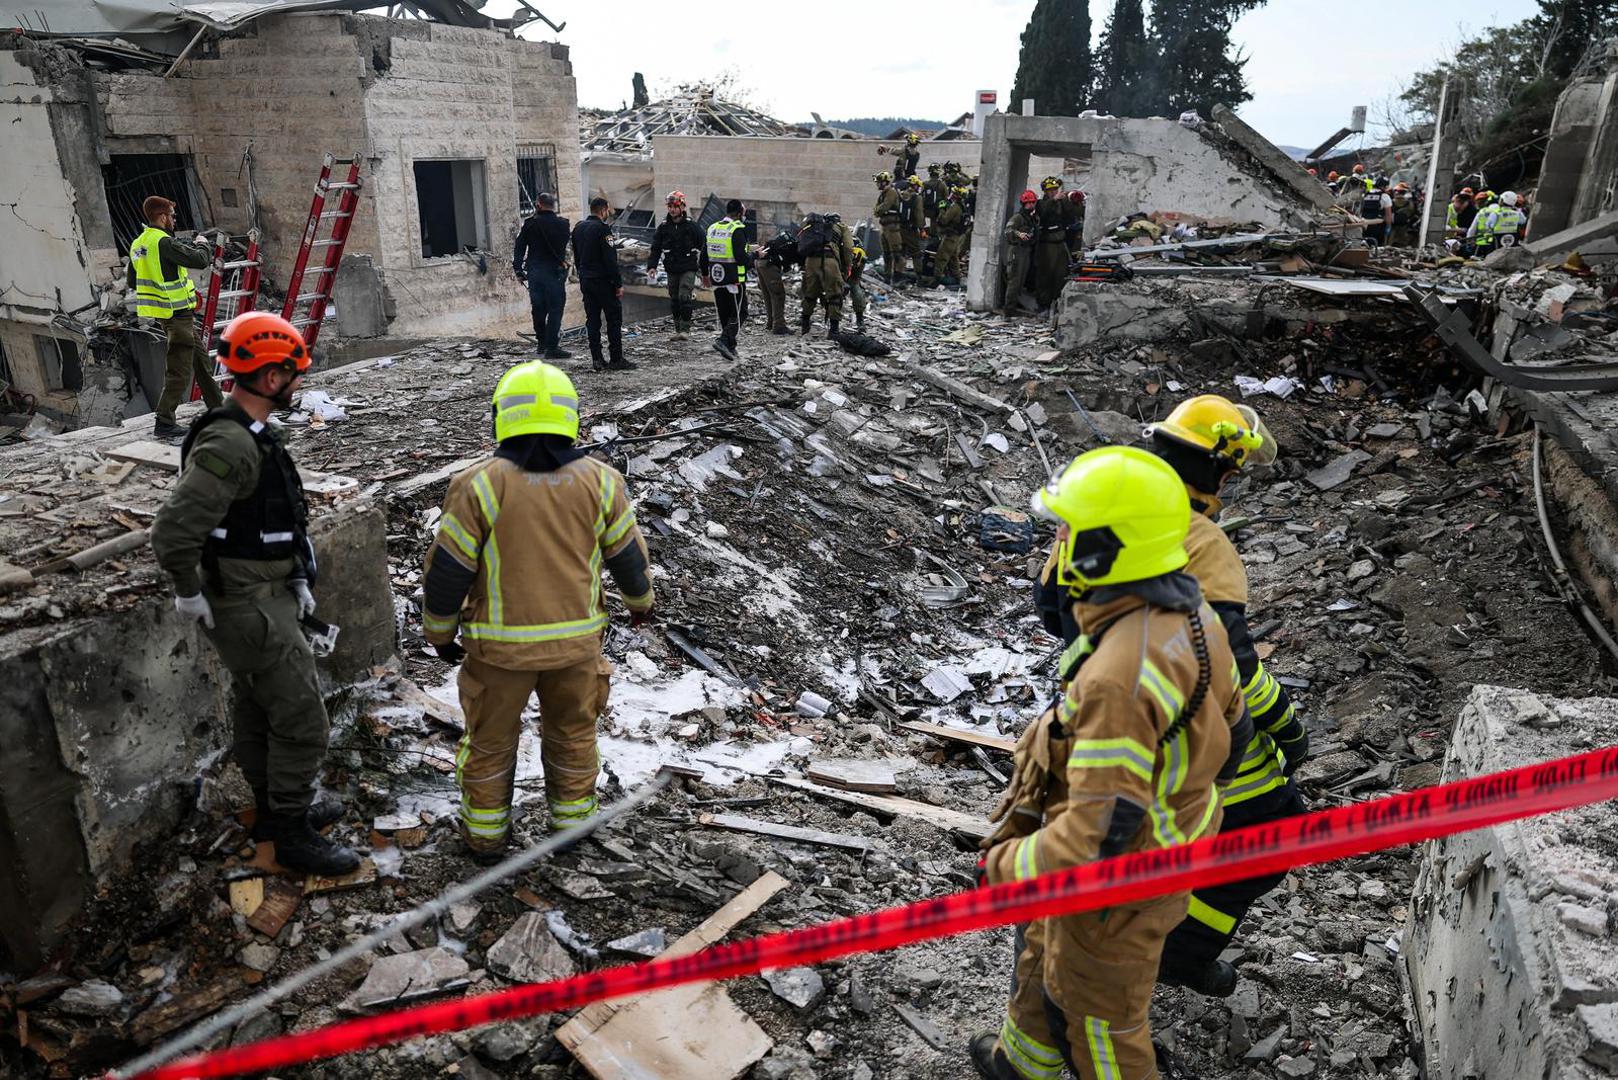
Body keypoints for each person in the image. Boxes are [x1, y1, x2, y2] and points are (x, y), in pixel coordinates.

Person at [970, 445, 1249, 1080]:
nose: (1059, 543)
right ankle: (1023, 1065)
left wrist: (1003, 867)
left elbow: (1095, 837)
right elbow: (1237, 730)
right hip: (1157, 850)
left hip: (1117, 884)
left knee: (1098, 1020)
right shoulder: (1195, 615)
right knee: (1043, 947)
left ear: (1106, 550)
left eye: (1069, 531)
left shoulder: (1120, 676)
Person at [150, 311, 356, 876]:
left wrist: (295, 576)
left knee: (261, 708)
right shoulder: (230, 443)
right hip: (248, 605)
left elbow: (264, 516)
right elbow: (173, 531)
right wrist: (189, 591)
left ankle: (273, 812)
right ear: (270, 378)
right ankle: (290, 832)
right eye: (294, 374)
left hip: (266, 592)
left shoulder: (252, 433)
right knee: (302, 719)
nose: (299, 382)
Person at [421, 361, 653, 862]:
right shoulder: (602, 481)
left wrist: (439, 634)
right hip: (576, 650)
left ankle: (486, 839)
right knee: (573, 736)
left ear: (501, 416)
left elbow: (448, 572)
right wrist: (641, 605)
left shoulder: (478, 485)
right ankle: (571, 827)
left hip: (499, 654)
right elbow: (629, 558)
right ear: (571, 417)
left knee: (489, 743)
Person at [1143, 397, 1310, 994]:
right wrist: (1287, 727)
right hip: (1187, 726)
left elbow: (1052, 608)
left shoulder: (1099, 519)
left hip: (1108, 709)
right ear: (1216, 469)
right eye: (1230, 473)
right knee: (1273, 833)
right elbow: (1232, 664)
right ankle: (1178, 953)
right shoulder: (1199, 539)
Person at [130, 195, 223, 440]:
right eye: (172, 215)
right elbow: (200, 260)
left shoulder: (139, 243)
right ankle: (164, 422)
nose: (174, 220)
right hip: (176, 315)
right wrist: (203, 244)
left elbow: (132, 279)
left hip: (170, 315)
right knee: (178, 371)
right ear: (162, 217)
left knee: (201, 364)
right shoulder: (163, 242)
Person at [571, 197, 632, 372]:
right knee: (613, 319)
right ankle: (616, 358)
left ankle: (597, 359)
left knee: (592, 320)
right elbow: (610, 260)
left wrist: (583, 274)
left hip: (586, 280)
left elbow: (577, 257)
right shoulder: (603, 229)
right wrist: (617, 284)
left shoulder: (578, 228)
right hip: (603, 282)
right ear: (603, 210)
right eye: (607, 211)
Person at [512, 192, 571, 360]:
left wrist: (518, 269)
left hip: (536, 273)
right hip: (555, 274)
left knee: (538, 308)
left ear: (538, 205)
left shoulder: (531, 224)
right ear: (553, 206)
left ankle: (542, 343)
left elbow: (519, 247)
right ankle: (552, 347)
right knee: (555, 309)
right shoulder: (563, 224)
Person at [646, 191, 704, 340]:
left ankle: (685, 330)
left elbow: (704, 245)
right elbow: (656, 247)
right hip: (672, 268)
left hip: (688, 267)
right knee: (674, 299)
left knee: (684, 296)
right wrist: (652, 266)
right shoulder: (664, 227)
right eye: (670, 206)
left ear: (682, 207)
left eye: (675, 206)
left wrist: (705, 269)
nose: (672, 209)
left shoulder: (692, 226)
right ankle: (678, 330)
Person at [703, 199, 751, 361]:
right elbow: (742, 258)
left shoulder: (712, 228)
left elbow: (704, 254)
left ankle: (730, 346)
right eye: (743, 213)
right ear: (739, 213)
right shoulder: (737, 229)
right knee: (740, 312)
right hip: (734, 279)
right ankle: (723, 341)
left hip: (717, 278)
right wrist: (756, 255)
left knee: (725, 314)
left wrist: (705, 274)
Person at [798, 210, 853, 338]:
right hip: (829, 261)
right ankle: (833, 331)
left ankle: (805, 325)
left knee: (810, 294)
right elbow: (848, 247)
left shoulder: (813, 227)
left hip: (810, 261)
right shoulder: (841, 227)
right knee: (835, 295)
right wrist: (847, 266)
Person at [1033, 177, 1069, 309]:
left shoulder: (1061, 203)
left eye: (1055, 189)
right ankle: (1043, 304)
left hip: (1061, 243)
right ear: (1045, 191)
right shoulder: (1041, 203)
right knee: (1045, 274)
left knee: (1061, 274)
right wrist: (1053, 200)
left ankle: (1056, 302)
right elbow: (1042, 212)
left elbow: (1071, 214)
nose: (1053, 192)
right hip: (1047, 245)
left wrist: (1070, 200)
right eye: (1050, 190)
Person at [1001, 190, 1038, 315]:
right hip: (1017, 250)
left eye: (1033, 202)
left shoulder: (1031, 218)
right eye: (1028, 203)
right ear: (1024, 204)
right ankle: (1009, 309)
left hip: (1026, 251)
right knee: (1014, 280)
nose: (1031, 205)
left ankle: (1014, 306)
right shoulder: (1018, 217)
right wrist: (1019, 234)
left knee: (1021, 280)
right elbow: (1008, 230)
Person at [757, 226, 799, 335]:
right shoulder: (797, 246)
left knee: (768, 294)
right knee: (778, 295)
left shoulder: (785, 240)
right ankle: (779, 326)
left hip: (760, 262)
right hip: (769, 264)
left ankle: (771, 322)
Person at [924, 186, 967, 287]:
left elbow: (944, 220)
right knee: (953, 257)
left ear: (956, 196)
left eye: (953, 193)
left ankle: (936, 280)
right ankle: (957, 278)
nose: (950, 195)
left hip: (950, 236)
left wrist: (942, 209)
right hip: (956, 237)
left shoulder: (955, 207)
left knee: (941, 257)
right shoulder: (962, 206)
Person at [1472, 190, 1528, 256]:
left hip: (1497, 241)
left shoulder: (1496, 213)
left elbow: (1489, 225)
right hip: (1512, 240)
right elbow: (1523, 221)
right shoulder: (1517, 213)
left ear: (1502, 200)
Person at [873, 172, 902, 282]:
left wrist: (878, 210)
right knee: (886, 253)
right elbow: (876, 210)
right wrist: (878, 210)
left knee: (896, 253)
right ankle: (887, 275)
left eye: (879, 182)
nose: (877, 185)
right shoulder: (883, 194)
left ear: (884, 182)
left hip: (892, 228)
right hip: (884, 227)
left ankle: (897, 277)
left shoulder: (891, 192)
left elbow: (884, 207)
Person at [897, 176, 926, 280]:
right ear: (915, 186)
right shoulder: (917, 198)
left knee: (901, 252)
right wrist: (922, 229)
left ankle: (898, 274)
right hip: (910, 230)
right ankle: (919, 276)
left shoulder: (900, 195)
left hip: (899, 228)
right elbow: (919, 215)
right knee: (916, 252)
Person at [1359, 180, 1393, 246]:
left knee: (1365, 246)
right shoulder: (1385, 196)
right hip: (1378, 226)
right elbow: (1388, 215)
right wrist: (1388, 226)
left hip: (1364, 225)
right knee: (1377, 247)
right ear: (1383, 187)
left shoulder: (1364, 195)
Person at [847, 243, 870, 333]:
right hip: (837, 267)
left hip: (854, 265)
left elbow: (855, 278)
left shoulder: (859, 253)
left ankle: (860, 319)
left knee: (857, 291)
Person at [923, 163, 948, 232]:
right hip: (937, 209)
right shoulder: (942, 184)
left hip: (927, 208)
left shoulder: (925, 184)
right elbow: (945, 197)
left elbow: (921, 196)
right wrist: (942, 209)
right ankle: (935, 234)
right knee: (936, 223)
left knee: (932, 220)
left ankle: (930, 233)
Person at [1065, 190, 1086, 258]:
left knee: (1077, 244)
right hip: (1068, 227)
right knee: (1069, 243)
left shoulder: (1080, 202)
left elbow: (1082, 213)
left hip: (1077, 227)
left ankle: (1075, 255)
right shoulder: (1065, 201)